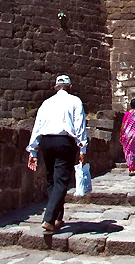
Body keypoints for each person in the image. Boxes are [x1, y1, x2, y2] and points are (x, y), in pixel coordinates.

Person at [26, 74, 87, 232]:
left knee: (51, 180)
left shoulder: (46, 103)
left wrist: (33, 151)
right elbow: (79, 125)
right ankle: (49, 218)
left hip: (46, 142)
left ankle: (58, 217)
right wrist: (83, 148)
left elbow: (37, 126)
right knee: (61, 181)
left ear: (55, 88)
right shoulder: (75, 101)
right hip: (64, 142)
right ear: (70, 88)